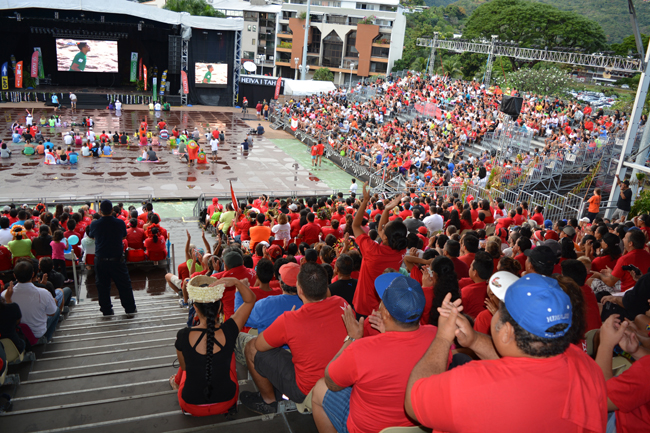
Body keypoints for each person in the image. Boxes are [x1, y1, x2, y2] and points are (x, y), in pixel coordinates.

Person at [405, 274, 608, 433]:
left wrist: (442, 337)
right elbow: (524, 372)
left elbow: (413, 401)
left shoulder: (473, 383)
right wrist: (474, 340)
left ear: (507, 331)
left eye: (501, 308)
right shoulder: (585, 365)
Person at [312, 273, 444, 433]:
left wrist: (352, 338)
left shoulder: (361, 349)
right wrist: (387, 333)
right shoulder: (439, 336)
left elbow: (331, 382)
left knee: (319, 388)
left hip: (368, 428)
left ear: (386, 313)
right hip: (420, 426)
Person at [240, 263, 348, 414]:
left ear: (300, 290)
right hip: (340, 380)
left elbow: (259, 346)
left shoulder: (289, 319)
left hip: (305, 390)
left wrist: (287, 326)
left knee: (250, 346)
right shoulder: (342, 303)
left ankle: (269, 402)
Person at [171, 276, 256, 416]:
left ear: (195, 309)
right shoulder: (230, 329)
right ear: (220, 307)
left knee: (187, 364)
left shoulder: (183, 335)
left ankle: (175, 382)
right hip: (226, 401)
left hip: (191, 405)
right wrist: (236, 281)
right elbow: (250, 299)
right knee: (230, 354)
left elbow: (185, 367)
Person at [595, 314, 650, 433]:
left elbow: (600, 399)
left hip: (624, 425)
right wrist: (636, 352)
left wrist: (606, 344)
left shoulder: (646, 370)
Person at [88, 200, 137, 316]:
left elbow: (92, 236)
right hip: (117, 260)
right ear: (112, 210)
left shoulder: (94, 224)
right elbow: (124, 235)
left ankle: (106, 310)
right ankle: (129, 309)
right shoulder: (119, 223)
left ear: (100, 211)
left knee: (102, 287)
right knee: (124, 285)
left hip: (101, 260)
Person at [1, 261, 59, 344]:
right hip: (37, 333)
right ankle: (46, 339)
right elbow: (52, 313)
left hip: (17, 334)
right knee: (56, 309)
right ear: (32, 274)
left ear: (14, 275)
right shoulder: (44, 292)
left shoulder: (5, 295)